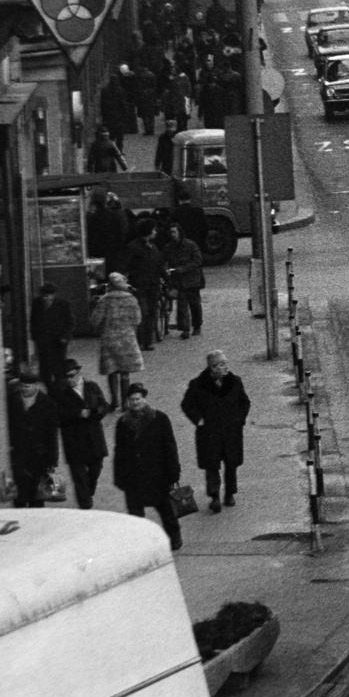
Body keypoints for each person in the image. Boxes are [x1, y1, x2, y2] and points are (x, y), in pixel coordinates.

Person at [113, 383, 183, 550]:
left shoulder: (160, 418)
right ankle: (140, 542)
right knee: (135, 514)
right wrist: (119, 476)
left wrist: (173, 473)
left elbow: (170, 447)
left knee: (165, 509)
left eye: (138, 399)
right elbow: (119, 451)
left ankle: (174, 536)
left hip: (156, 475)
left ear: (144, 399)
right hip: (133, 476)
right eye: (131, 400)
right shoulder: (122, 423)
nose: (135, 403)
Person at [180, 350, 251, 514]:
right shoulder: (198, 384)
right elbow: (187, 404)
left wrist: (239, 419)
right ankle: (215, 498)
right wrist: (198, 420)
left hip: (231, 431)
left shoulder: (235, 382)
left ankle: (229, 494)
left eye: (226, 363)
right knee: (212, 466)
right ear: (213, 368)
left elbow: (244, 402)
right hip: (209, 433)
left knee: (231, 464)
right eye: (222, 364)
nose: (227, 367)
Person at [52, 358, 111, 509]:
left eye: (73, 375)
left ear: (79, 373)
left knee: (96, 468)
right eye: (67, 377)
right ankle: (85, 505)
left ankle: (88, 491)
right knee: (79, 477)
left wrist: (98, 412)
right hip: (74, 440)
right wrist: (78, 413)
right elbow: (57, 414)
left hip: (94, 437)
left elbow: (105, 404)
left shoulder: (91, 387)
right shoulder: (60, 393)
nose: (70, 379)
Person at [6, 369, 60, 508]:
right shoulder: (12, 400)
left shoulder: (48, 404)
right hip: (18, 453)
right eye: (22, 386)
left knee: (37, 493)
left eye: (27, 386)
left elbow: (52, 433)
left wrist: (53, 459)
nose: (24, 389)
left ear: (36, 385)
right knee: (19, 494)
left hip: (38, 455)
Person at [91, 272, 144, 409]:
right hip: (127, 338)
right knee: (125, 371)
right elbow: (137, 319)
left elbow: (95, 320)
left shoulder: (104, 300)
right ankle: (126, 403)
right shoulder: (131, 299)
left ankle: (114, 401)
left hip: (110, 339)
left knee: (112, 370)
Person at [121, 222, 163, 351]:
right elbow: (124, 265)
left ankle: (148, 341)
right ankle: (140, 341)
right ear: (147, 232)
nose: (155, 232)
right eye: (153, 230)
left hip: (153, 285)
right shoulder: (133, 247)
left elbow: (158, 265)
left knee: (152, 313)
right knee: (142, 313)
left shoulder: (153, 247)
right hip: (139, 286)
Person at [161, 224, 204, 338]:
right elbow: (162, 261)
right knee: (182, 305)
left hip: (192, 279)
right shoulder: (168, 247)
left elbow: (198, 261)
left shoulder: (190, 245)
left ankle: (197, 325)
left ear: (179, 232)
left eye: (174, 232)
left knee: (194, 304)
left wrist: (182, 269)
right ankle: (185, 328)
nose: (173, 234)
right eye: (171, 232)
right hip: (179, 280)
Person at [29, 282, 74, 388]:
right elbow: (33, 320)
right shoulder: (36, 303)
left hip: (58, 340)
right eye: (43, 296)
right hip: (43, 340)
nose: (45, 298)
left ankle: (59, 387)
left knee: (59, 365)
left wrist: (65, 336)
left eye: (47, 296)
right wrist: (35, 336)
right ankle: (49, 387)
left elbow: (70, 322)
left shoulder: (63, 304)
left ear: (53, 295)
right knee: (45, 366)